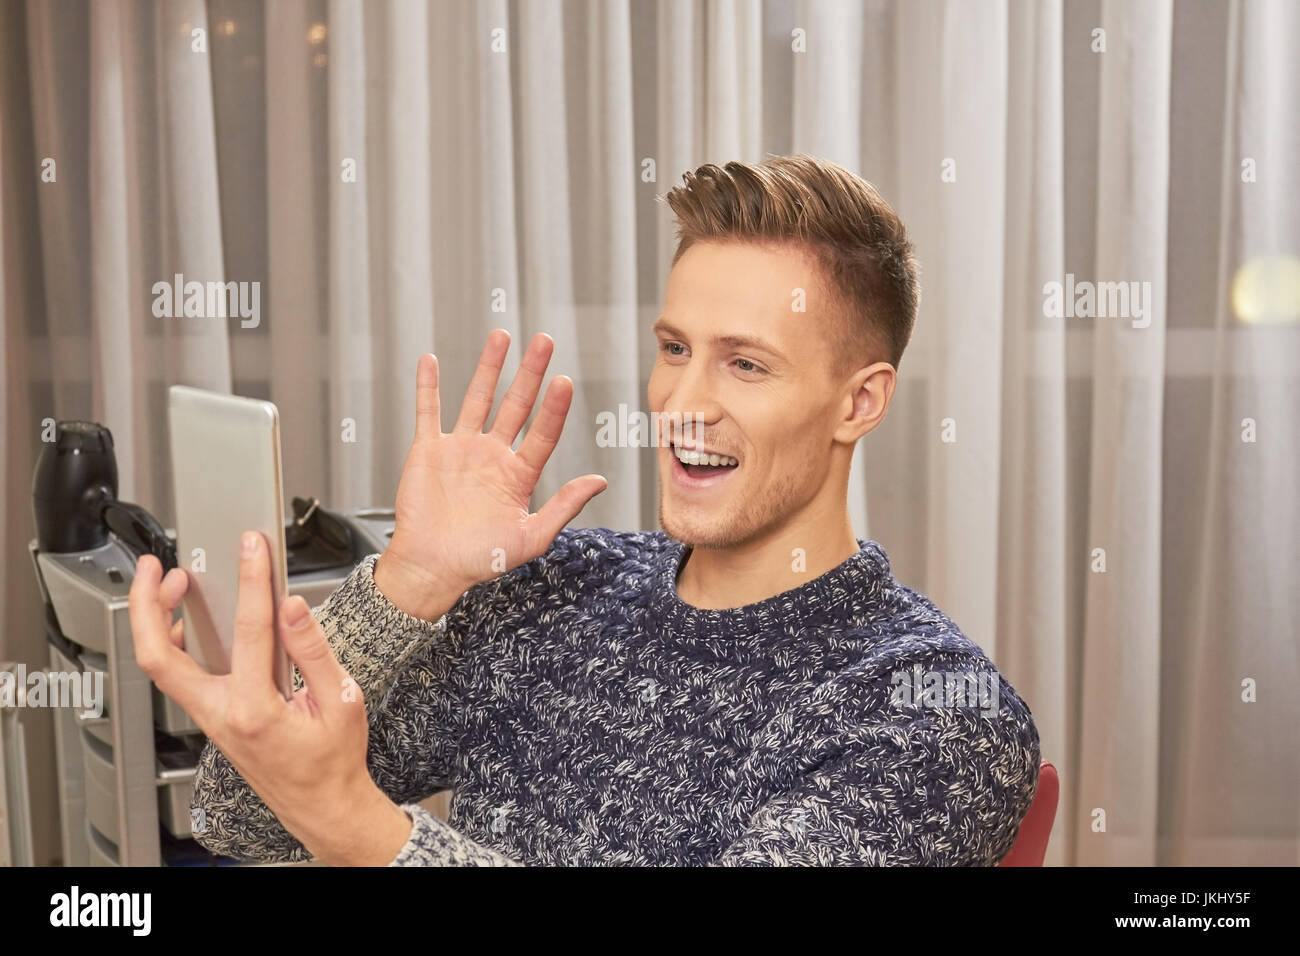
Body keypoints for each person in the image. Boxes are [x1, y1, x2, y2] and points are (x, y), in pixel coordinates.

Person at [129, 155, 1041, 866]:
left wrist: (370, 834)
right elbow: (238, 818)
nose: (683, 401)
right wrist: (412, 579)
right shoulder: (553, 588)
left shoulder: (933, 711)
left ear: (859, 402)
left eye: (746, 363)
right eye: (674, 347)